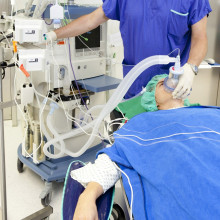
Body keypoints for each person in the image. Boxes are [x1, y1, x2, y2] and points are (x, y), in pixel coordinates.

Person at [68, 74, 220, 220]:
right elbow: (116, 158)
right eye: (162, 83)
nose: (171, 82)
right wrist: (87, 197)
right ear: (153, 101)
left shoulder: (210, 112)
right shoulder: (143, 123)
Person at [45, 0, 212, 100]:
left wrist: (191, 67)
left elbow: (200, 37)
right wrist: (53, 35)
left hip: (171, 88)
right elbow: (90, 20)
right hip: (134, 87)